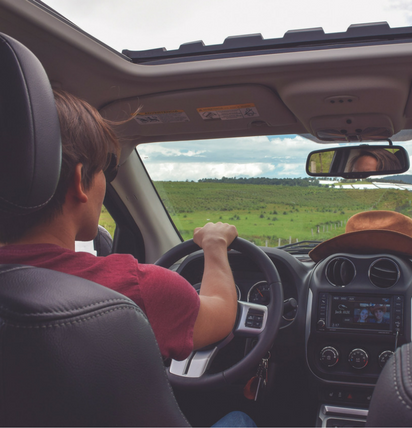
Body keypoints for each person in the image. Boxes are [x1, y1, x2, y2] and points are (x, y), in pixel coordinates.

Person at [0, 90, 255, 426]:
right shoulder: (136, 289)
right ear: (80, 181)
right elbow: (222, 314)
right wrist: (215, 246)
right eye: (107, 168)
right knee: (240, 417)